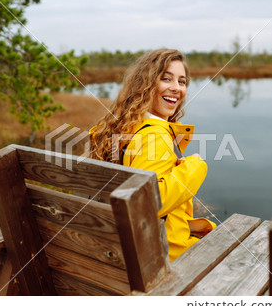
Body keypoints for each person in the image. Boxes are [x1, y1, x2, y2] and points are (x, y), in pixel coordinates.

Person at [90, 49, 216, 261]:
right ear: (146, 84)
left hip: (119, 249)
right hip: (162, 255)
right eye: (166, 79)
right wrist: (195, 165)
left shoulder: (121, 128)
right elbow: (151, 203)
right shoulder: (154, 136)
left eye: (182, 81)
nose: (176, 88)